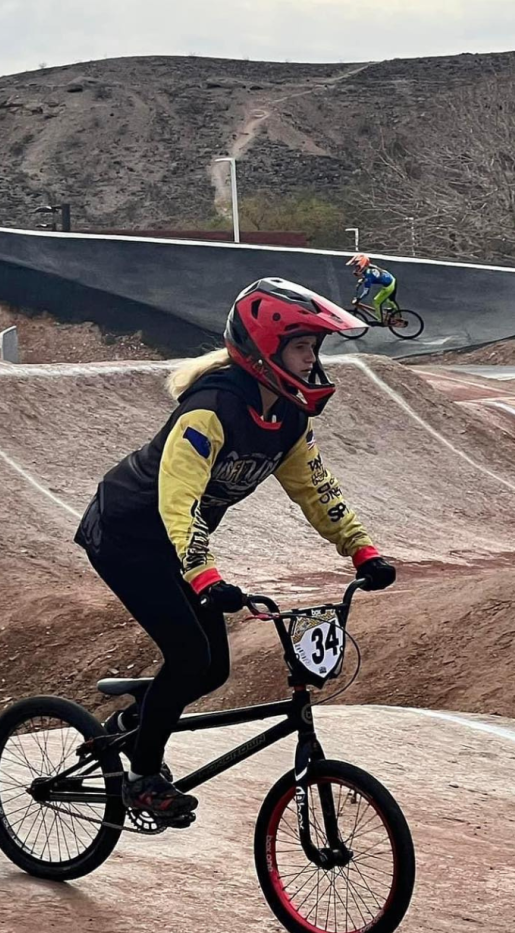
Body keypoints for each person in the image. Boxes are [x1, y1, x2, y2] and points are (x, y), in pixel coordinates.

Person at [75, 277, 396, 822]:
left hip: (176, 545)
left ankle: (131, 727)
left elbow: (316, 489)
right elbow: (177, 503)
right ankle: (142, 778)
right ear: (265, 349)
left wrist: (361, 550)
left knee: (212, 670)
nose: (311, 360)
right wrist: (204, 574)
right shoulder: (210, 410)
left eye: (314, 348)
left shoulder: (289, 418)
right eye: (301, 347)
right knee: (188, 655)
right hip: (127, 536)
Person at [346, 254, 398, 321]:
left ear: (362, 266)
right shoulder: (369, 267)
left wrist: (359, 299)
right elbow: (374, 274)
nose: (356, 269)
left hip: (389, 285)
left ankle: (380, 320)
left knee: (376, 302)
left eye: (357, 267)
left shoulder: (368, 276)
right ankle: (395, 311)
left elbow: (366, 291)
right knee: (389, 300)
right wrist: (363, 280)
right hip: (390, 278)